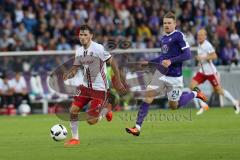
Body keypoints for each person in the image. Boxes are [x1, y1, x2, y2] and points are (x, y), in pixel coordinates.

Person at [125, 12, 207, 136]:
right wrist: (148, 62)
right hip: (161, 74)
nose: (166, 25)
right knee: (148, 96)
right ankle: (137, 127)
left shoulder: (179, 36)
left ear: (175, 24)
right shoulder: (163, 38)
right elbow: (163, 57)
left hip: (175, 78)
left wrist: (171, 61)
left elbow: (188, 55)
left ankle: (195, 93)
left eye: (169, 23)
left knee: (174, 106)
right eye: (164, 23)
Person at [63, 25, 126, 146]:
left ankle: (106, 109)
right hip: (86, 87)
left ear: (91, 36)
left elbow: (113, 62)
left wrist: (117, 81)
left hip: (99, 89)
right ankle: (75, 139)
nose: (82, 37)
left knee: (91, 121)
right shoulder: (79, 51)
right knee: (73, 110)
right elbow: (75, 69)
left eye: (85, 35)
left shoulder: (98, 48)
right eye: (81, 35)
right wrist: (69, 74)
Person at [190, 29, 240, 115]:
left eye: (201, 35)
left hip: (211, 73)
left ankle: (235, 102)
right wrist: (200, 61)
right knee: (192, 86)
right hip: (202, 72)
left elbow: (214, 56)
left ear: (205, 36)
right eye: (198, 35)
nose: (199, 36)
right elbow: (202, 58)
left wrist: (202, 58)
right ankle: (203, 104)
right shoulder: (199, 45)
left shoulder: (207, 45)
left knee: (218, 90)